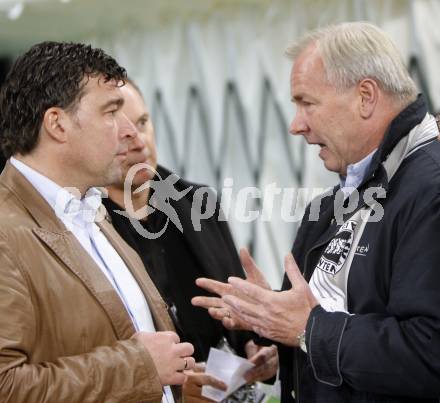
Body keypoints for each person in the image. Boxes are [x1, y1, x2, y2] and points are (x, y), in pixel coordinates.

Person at [192, 21, 440, 403]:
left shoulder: (429, 190)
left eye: (307, 103)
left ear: (366, 97)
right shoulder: (330, 205)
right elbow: (342, 315)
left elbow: (430, 353)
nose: (296, 125)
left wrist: (306, 328)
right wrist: (270, 315)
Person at [0, 41, 196, 403]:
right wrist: (138, 367)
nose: (130, 132)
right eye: (111, 112)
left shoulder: (89, 208)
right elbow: (6, 386)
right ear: (57, 124)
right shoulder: (5, 233)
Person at [103, 79, 278, 402]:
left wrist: (260, 346)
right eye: (121, 133)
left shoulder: (198, 201)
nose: (139, 140)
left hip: (233, 392)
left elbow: (233, 300)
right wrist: (174, 391)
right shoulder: (89, 227)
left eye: (143, 122)